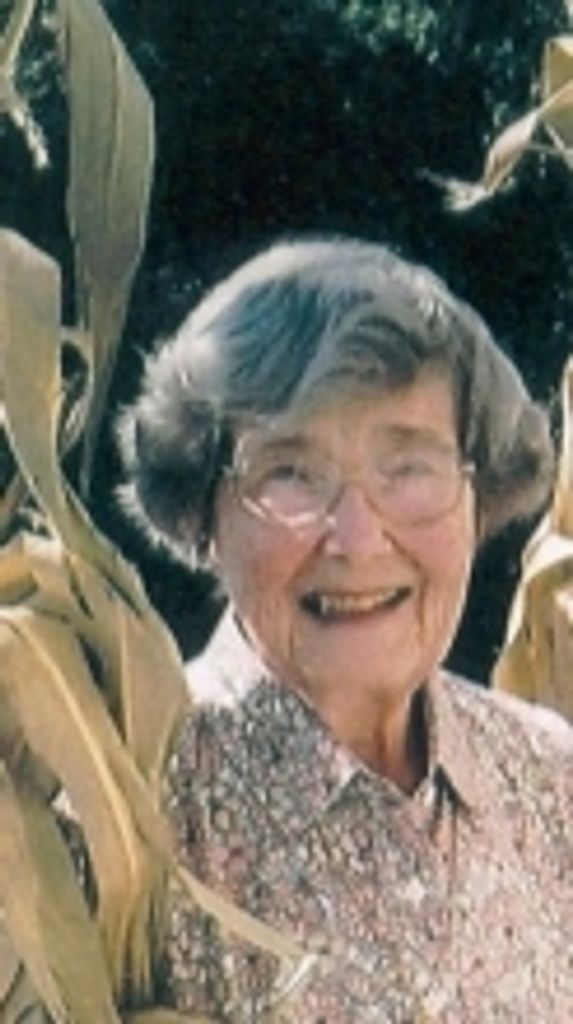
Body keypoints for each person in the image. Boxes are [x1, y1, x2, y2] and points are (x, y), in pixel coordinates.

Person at [118, 237, 573, 1023]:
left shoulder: (552, 780)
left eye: (409, 466)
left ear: (480, 497)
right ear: (202, 511)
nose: (357, 540)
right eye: (290, 473)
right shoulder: (121, 808)